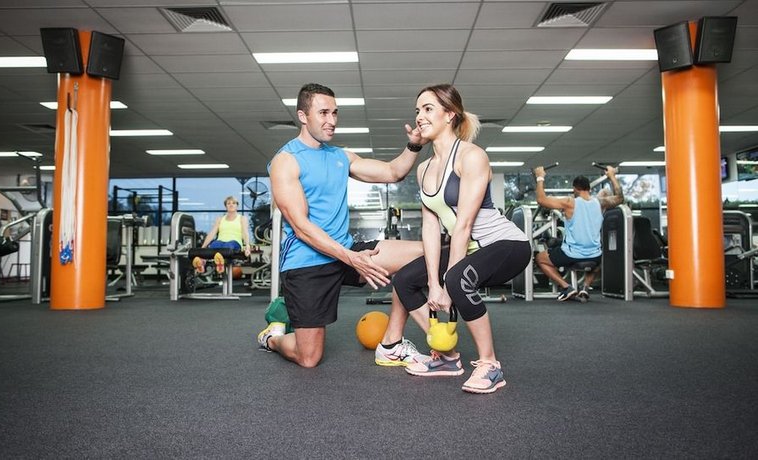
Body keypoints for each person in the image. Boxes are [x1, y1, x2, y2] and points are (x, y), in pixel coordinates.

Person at [258, 83, 430, 368]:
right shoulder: (286, 161)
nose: (332, 120)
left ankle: (392, 343)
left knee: (424, 253)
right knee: (308, 358)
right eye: (323, 113)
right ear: (302, 116)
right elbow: (301, 227)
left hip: (347, 251)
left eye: (335, 113)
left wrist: (414, 145)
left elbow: (393, 172)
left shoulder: (340, 156)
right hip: (307, 262)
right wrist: (351, 258)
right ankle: (273, 337)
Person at [390, 84, 532, 394]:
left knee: (456, 279)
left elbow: (464, 223)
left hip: (506, 245)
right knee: (404, 280)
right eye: (417, 110)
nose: (420, 116)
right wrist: (433, 283)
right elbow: (430, 227)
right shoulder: (424, 168)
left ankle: (490, 365)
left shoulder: (471, 156)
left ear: (450, 115)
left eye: (428, 109)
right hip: (468, 247)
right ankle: (446, 357)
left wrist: (447, 285)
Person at [533, 165, 624, 301]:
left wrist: (540, 177)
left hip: (571, 254)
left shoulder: (570, 202)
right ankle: (585, 287)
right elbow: (620, 198)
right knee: (598, 258)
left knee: (540, 258)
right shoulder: (600, 203)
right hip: (595, 255)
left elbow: (541, 200)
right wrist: (612, 176)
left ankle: (566, 287)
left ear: (575, 189)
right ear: (589, 188)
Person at [192, 196, 251, 274]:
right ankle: (202, 262)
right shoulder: (220, 219)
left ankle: (220, 264)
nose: (231, 205)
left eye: (233, 203)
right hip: (220, 241)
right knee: (214, 245)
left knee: (227, 246)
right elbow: (212, 233)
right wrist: (203, 248)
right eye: (228, 203)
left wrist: (247, 246)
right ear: (226, 206)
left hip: (234, 242)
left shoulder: (242, 218)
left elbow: (245, 232)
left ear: (237, 205)